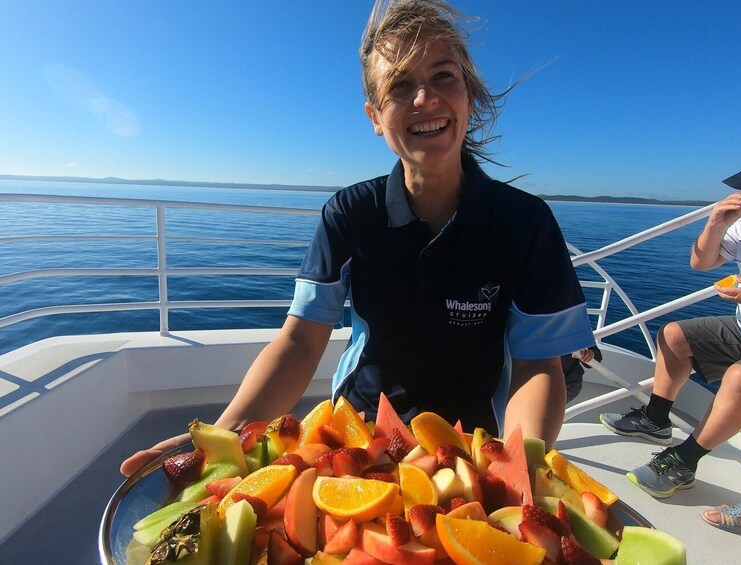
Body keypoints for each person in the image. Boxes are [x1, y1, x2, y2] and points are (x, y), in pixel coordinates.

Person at [121, 0, 594, 477]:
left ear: (469, 94)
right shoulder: (349, 214)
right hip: (357, 439)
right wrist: (225, 435)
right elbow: (301, 341)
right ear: (374, 115)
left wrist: (517, 471)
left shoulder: (525, 223)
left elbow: (538, 367)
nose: (424, 98)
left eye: (443, 76)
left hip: (472, 449)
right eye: (400, 85)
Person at [600, 137, 741, 535]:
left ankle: (687, 461)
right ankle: (655, 418)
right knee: (675, 334)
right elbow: (700, 262)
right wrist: (716, 223)